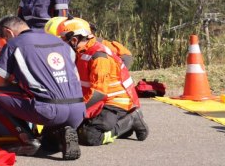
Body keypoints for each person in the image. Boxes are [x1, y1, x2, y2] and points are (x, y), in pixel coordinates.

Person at [0, 16, 85, 160]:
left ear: (8, 33)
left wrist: (16, 84)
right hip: (78, 110)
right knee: (47, 143)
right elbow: (75, 80)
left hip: (48, 110)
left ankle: (27, 140)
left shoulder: (14, 44)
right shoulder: (60, 42)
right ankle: (62, 131)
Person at [45, 17, 149, 146]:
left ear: (74, 40)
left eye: (62, 42)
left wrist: (76, 110)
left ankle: (131, 120)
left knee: (89, 136)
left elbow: (98, 93)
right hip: (97, 101)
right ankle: (121, 126)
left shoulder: (99, 57)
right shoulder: (80, 52)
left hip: (114, 102)